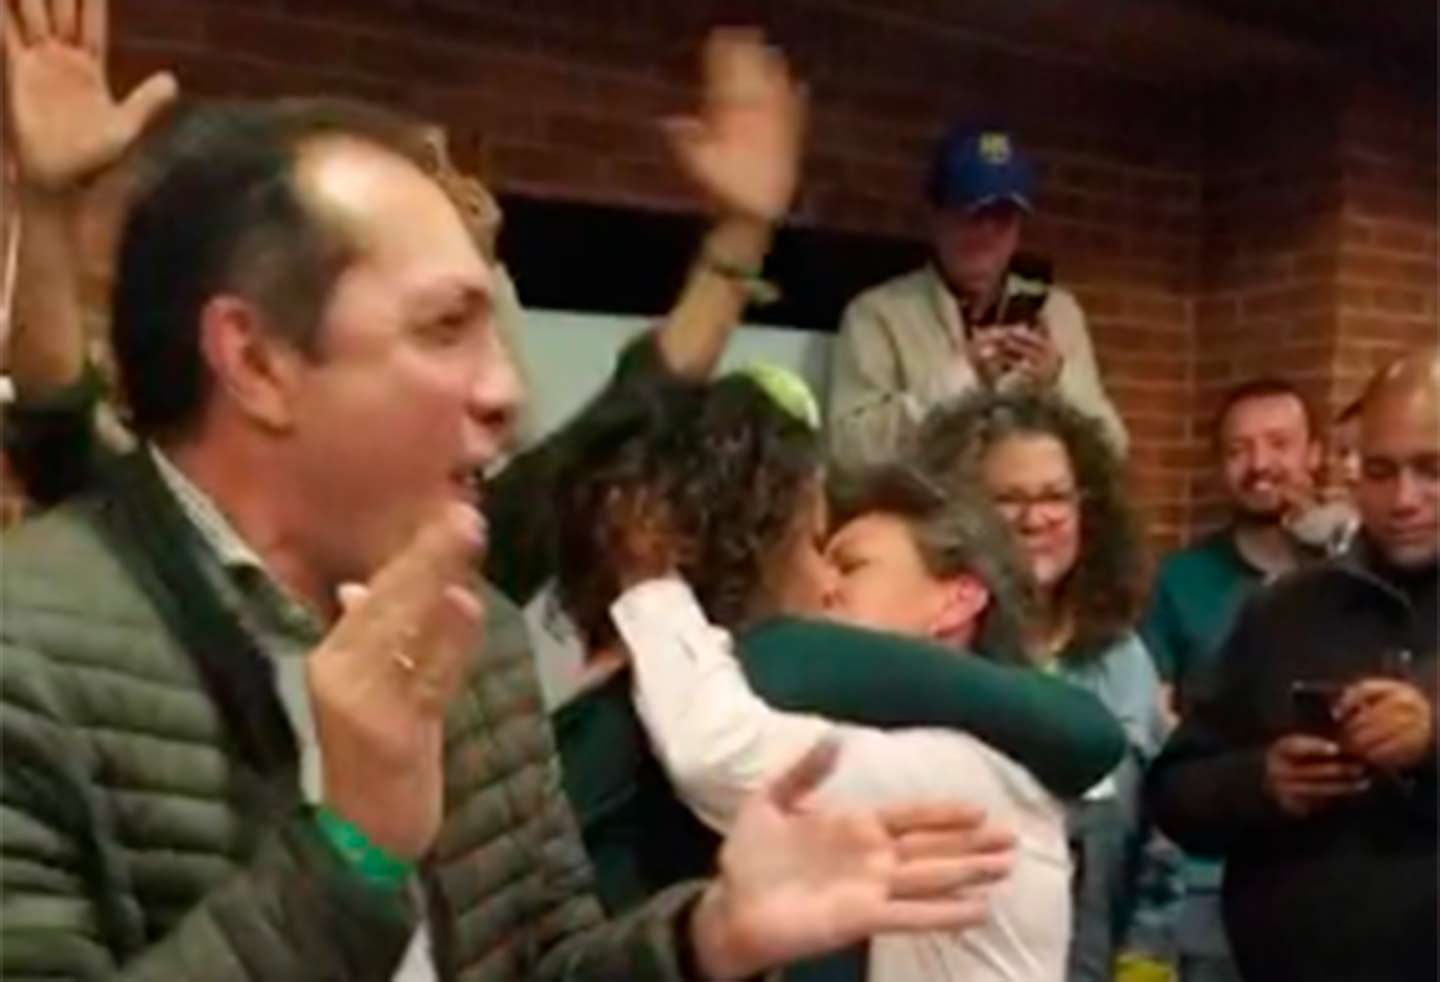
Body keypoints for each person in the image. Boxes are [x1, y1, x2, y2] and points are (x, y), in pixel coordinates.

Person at [0, 7, 1028, 979]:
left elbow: (544, 962)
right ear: (257, 361)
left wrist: (705, 939)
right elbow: (55, 411)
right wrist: (352, 851)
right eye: (445, 329)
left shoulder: (475, 640)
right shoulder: (30, 658)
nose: (506, 393)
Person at [550, 372, 1128, 981]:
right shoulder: (661, 712)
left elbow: (719, 750)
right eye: (817, 549)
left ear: (956, 600)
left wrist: (648, 580)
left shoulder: (959, 764)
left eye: (849, 562)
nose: (827, 586)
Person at [1146, 349, 1439, 982]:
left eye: (1431, 470)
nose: (1405, 498)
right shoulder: (1283, 611)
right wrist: (1262, 782)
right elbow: (1177, 789)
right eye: (1382, 471)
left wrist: (1432, 742)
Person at [916, 390, 1173, 982]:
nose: (1037, 521)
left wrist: (1145, 965)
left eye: (1056, 497)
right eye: (1009, 500)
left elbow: (1159, 837)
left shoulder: (1122, 658)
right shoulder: (940, 653)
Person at [1138, 378, 1331, 981]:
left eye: (1279, 444)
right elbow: (1157, 720)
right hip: (1206, 881)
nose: (1260, 465)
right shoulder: (1181, 579)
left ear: (1316, 454)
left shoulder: (1352, 575)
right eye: (1238, 450)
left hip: (1335, 874)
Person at [827, 123, 1126, 470]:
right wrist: (958, 382)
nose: (987, 233)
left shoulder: (1058, 313)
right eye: (972, 212)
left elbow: (1111, 453)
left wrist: (1058, 383)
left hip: (1026, 517)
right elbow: (848, 454)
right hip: (929, 520)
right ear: (936, 215)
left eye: (1003, 217)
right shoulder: (878, 315)